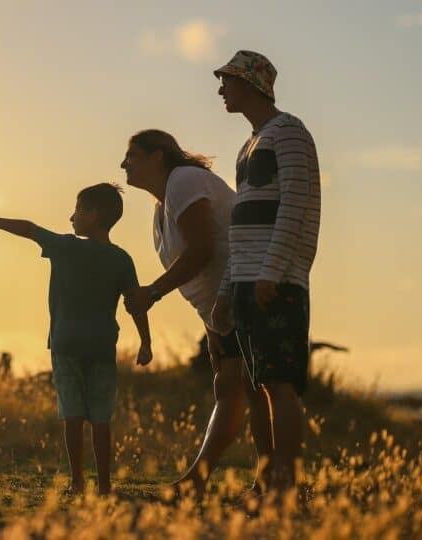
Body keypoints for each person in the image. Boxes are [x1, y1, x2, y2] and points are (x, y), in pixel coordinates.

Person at [0, 183, 152, 495]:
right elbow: (135, 303)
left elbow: (28, 229)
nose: (71, 217)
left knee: (72, 415)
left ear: (93, 215)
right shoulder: (121, 259)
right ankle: (104, 485)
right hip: (102, 347)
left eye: (77, 210)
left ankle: (77, 482)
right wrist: (146, 341)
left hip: (65, 346)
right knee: (101, 418)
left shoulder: (65, 246)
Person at [120, 130, 273, 498]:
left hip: (249, 289)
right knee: (235, 387)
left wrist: (153, 292)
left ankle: (258, 483)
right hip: (225, 304)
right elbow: (205, 267)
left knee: (251, 389)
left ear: (159, 157)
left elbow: (203, 250)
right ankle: (249, 481)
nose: (124, 164)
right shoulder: (164, 204)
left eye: (133, 155)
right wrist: (213, 328)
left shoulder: (184, 181)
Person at [211, 50, 321, 495]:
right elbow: (242, 225)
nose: (221, 89)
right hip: (245, 283)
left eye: (228, 80)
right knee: (256, 387)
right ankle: (265, 482)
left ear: (252, 85)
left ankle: (287, 487)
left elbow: (296, 205)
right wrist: (225, 290)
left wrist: (272, 272)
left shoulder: (289, 132)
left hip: (276, 283)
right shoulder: (248, 145)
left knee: (279, 383)